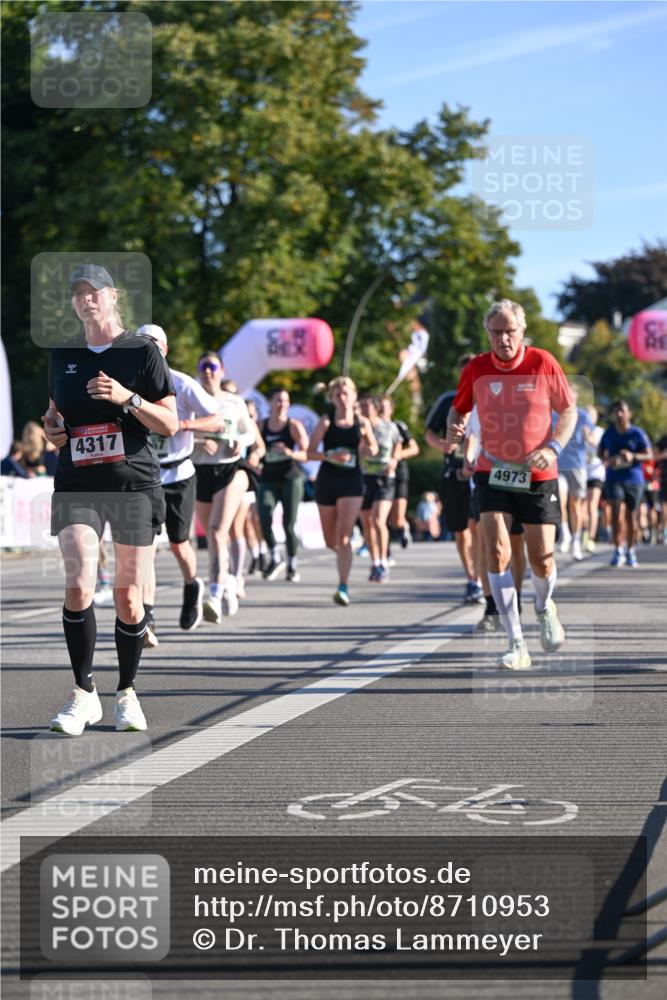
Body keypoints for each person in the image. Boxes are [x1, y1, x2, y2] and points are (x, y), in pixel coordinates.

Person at [42, 264, 177, 735]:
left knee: (127, 597)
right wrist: (52, 430)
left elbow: (170, 423)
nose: (85, 299)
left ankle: (127, 693)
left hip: (133, 484)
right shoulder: (64, 354)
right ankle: (83, 693)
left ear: (113, 296)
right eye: (77, 293)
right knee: (79, 583)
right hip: (78, 482)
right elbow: (54, 415)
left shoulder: (141, 352)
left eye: (93, 291)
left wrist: (127, 398)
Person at [446, 299, 577, 670]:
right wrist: (453, 427)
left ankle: (543, 604)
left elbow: (568, 410)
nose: (503, 338)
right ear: (487, 334)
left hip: (537, 473)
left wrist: (553, 448)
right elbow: (459, 408)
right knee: (497, 552)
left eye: (510, 331)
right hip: (493, 470)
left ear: (522, 331)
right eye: (496, 332)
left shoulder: (543, 362)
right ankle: (515, 641)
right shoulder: (476, 368)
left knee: (541, 558)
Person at [136, 324, 227, 635]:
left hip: (179, 472)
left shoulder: (182, 384)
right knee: (145, 545)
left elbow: (217, 421)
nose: (146, 349)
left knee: (178, 544)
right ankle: (146, 615)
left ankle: (192, 587)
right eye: (140, 344)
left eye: (152, 344)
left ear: (164, 350)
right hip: (144, 473)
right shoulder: (128, 383)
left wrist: (182, 424)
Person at [192, 352, 256, 622]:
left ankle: (215, 594)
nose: (208, 371)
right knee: (212, 534)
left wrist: (241, 441)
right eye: (203, 367)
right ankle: (228, 578)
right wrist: (197, 443)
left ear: (221, 371)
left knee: (219, 532)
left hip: (230, 469)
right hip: (200, 471)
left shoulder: (233, 401)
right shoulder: (189, 399)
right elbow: (173, 431)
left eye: (212, 366)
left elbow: (250, 431)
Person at [308, 376, 377, 606]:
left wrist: (366, 447)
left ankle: (343, 586)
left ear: (354, 396)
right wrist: (330, 455)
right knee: (331, 541)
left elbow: (373, 449)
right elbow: (310, 453)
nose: (343, 397)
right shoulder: (326, 422)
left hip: (352, 482)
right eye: (338, 394)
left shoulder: (363, 422)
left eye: (346, 393)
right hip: (327, 481)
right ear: (332, 398)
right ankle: (345, 552)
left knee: (343, 537)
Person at [425, 355, 485, 605]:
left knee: (479, 528)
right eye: (465, 373)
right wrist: (442, 444)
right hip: (454, 474)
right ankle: (472, 578)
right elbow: (429, 432)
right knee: (461, 531)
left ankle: (482, 580)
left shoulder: (489, 397)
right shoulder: (448, 400)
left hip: (482, 472)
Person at [257, 387, 309, 582]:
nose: (282, 404)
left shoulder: (293, 426)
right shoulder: (261, 425)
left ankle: (292, 564)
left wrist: (290, 453)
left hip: (290, 478)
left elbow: (306, 454)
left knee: (289, 523)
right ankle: (274, 555)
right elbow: (253, 448)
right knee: (263, 517)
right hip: (268, 478)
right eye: (278, 400)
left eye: (285, 401)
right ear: (271, 403)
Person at [599, 399, 653, 567]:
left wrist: (633, 456)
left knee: (631, 516)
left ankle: (630, 550)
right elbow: (600, 452)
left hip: (634, 479)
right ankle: (617, 549)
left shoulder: (637, 433)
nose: (619, 414)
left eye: (622, 411)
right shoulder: (608, 433)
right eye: (617, 411)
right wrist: (608, 460)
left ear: (629, 414)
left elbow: (649, 454)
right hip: (614, 477)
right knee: (615, 512)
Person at [358, 392, 402, 582]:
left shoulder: (389, 427)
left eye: (368, 406)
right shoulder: (358, 427)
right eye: (362, 406)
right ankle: (375, 562)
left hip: (385, 478)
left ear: (376, 408)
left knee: (378, 520)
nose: (365, 409)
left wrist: (394, 459)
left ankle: (384, 561)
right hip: (364, 478)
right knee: (367, 523)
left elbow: (398, 443)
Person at [555, 386, 595, 561]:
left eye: (571, 394)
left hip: (577, 465)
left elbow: (592, 439)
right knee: (561, 501)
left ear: (576, 397)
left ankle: (576, 541)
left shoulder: (583, 415)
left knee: (575, 505)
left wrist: (588, 437)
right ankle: (565, 535)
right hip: (558, 465)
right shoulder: (554, 414)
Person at [377, 395, 420, 548]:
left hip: (399, 473)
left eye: (385, 406)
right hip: (381, 474)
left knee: (397, 518)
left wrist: (395, 456)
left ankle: (403, 527)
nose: (381, 410)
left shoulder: (398, 426)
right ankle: (385, 551)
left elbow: (414, 448)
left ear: (391, 409)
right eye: (379, 406)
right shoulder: (372, 427)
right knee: (381, 516)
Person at [583, 404, 606, 552]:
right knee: (581, 507)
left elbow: (602, 449)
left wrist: (588, 438)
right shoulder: (577, 430)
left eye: (591, 415)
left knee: (592, 505)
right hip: (581, 472)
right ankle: (582, 533)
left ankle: (591, 538)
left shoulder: (600, 432)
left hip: (596, 472)